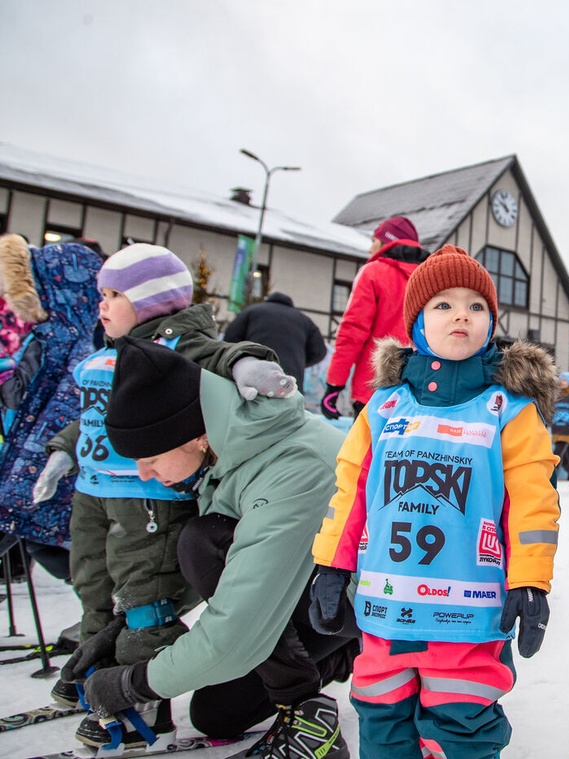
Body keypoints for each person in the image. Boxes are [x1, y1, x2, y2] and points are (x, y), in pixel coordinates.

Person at [32, 243, 294, 748]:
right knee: (93, 585)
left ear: (149, 302)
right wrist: (63, 451)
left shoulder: (175, 345)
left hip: (150, 496)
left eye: (114, 294)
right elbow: (92, 418)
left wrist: (247, 366)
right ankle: (97, 672)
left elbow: (222, 354)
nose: (102, 304)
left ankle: (141, 704)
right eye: (100, 294)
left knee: (144, 597)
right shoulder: (108, 354)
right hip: (93, 493)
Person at [308, 245, 561, 759]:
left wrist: (530, 579)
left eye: (476, 305)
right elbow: (350, 490)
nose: (461, 315)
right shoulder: (384, 406)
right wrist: (331, 564)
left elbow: (534, 502)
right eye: (443, 305)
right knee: (380, 723)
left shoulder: (509, 412)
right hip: (385, 613)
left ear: (492, 322)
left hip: (467, 620)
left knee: (462, 728)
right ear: (416, 322)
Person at [65, 335, 358, 759]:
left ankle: (308, 706)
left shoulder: (292, 467)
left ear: (193, 437)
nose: (145, 474)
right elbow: (224, 580)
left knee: (202, 540)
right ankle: (338, 661)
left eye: (150, 458)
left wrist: (132, 682)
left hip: (356, 602)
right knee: (217, 714)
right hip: (305, 587)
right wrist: (128, 626)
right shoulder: (230, 452)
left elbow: (236, 627)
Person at [0, 233, 101, 583]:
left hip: (32, 474)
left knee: (46, 542)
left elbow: (37, 408)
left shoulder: (64, 349)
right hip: (38, 474)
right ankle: (104, 612)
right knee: (50, 547)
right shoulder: (67, 343)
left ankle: (108, 613)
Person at [322, 216, 429, 419]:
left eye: (374, 241)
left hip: (374, 390)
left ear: (386, 241)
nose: (370, 249)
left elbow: (352, 331)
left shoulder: (373, 273)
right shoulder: (430, 277)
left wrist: (334, 385)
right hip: (422, 391)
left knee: (366, 451)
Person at [223, 291, 328, 393]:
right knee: (288, 408)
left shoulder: (250, 312)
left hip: (255, 377)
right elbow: (319, 351)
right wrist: (299, 361)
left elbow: (229, 341)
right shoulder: (305, 321)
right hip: (290, 381)